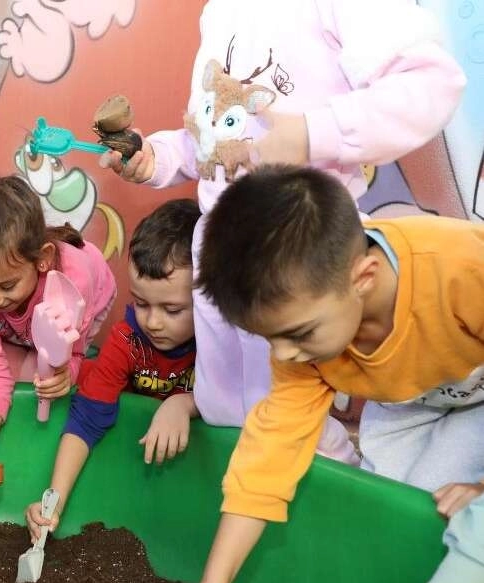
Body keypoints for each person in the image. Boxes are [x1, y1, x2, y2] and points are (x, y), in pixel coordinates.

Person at [100, 0, 466, 465]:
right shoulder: (220, 12)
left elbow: (430, 83)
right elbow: (214, 141)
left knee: (290, 418)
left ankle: (328, 486)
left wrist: (313, 133)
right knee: (222, 407)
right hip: (219, 245)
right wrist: (157, 158)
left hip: (291, 242)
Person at [165, 165, 484, 583]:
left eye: (298, 334)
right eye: (269, 338)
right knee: (403, 521)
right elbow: (265, 466)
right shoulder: (301, 343)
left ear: (364, 277)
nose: (284, 356)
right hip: (410, 403)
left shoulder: (462, 269)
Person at [25, 199, 199, 542]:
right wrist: (52, 502)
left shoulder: (223, 348)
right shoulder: (126, 340)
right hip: (128, 457)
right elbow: (86, 420)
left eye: (172, 310)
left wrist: (185, 403)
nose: (153, 322)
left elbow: (243, 405)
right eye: (141, 303)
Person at [0, 176, 117, 495]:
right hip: (20, 324)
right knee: (14, 373)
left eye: (6, 285)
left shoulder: (72, 283)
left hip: (91, 295)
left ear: (42, 259)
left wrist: (66, 372)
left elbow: (72, 354)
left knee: (45, 378)